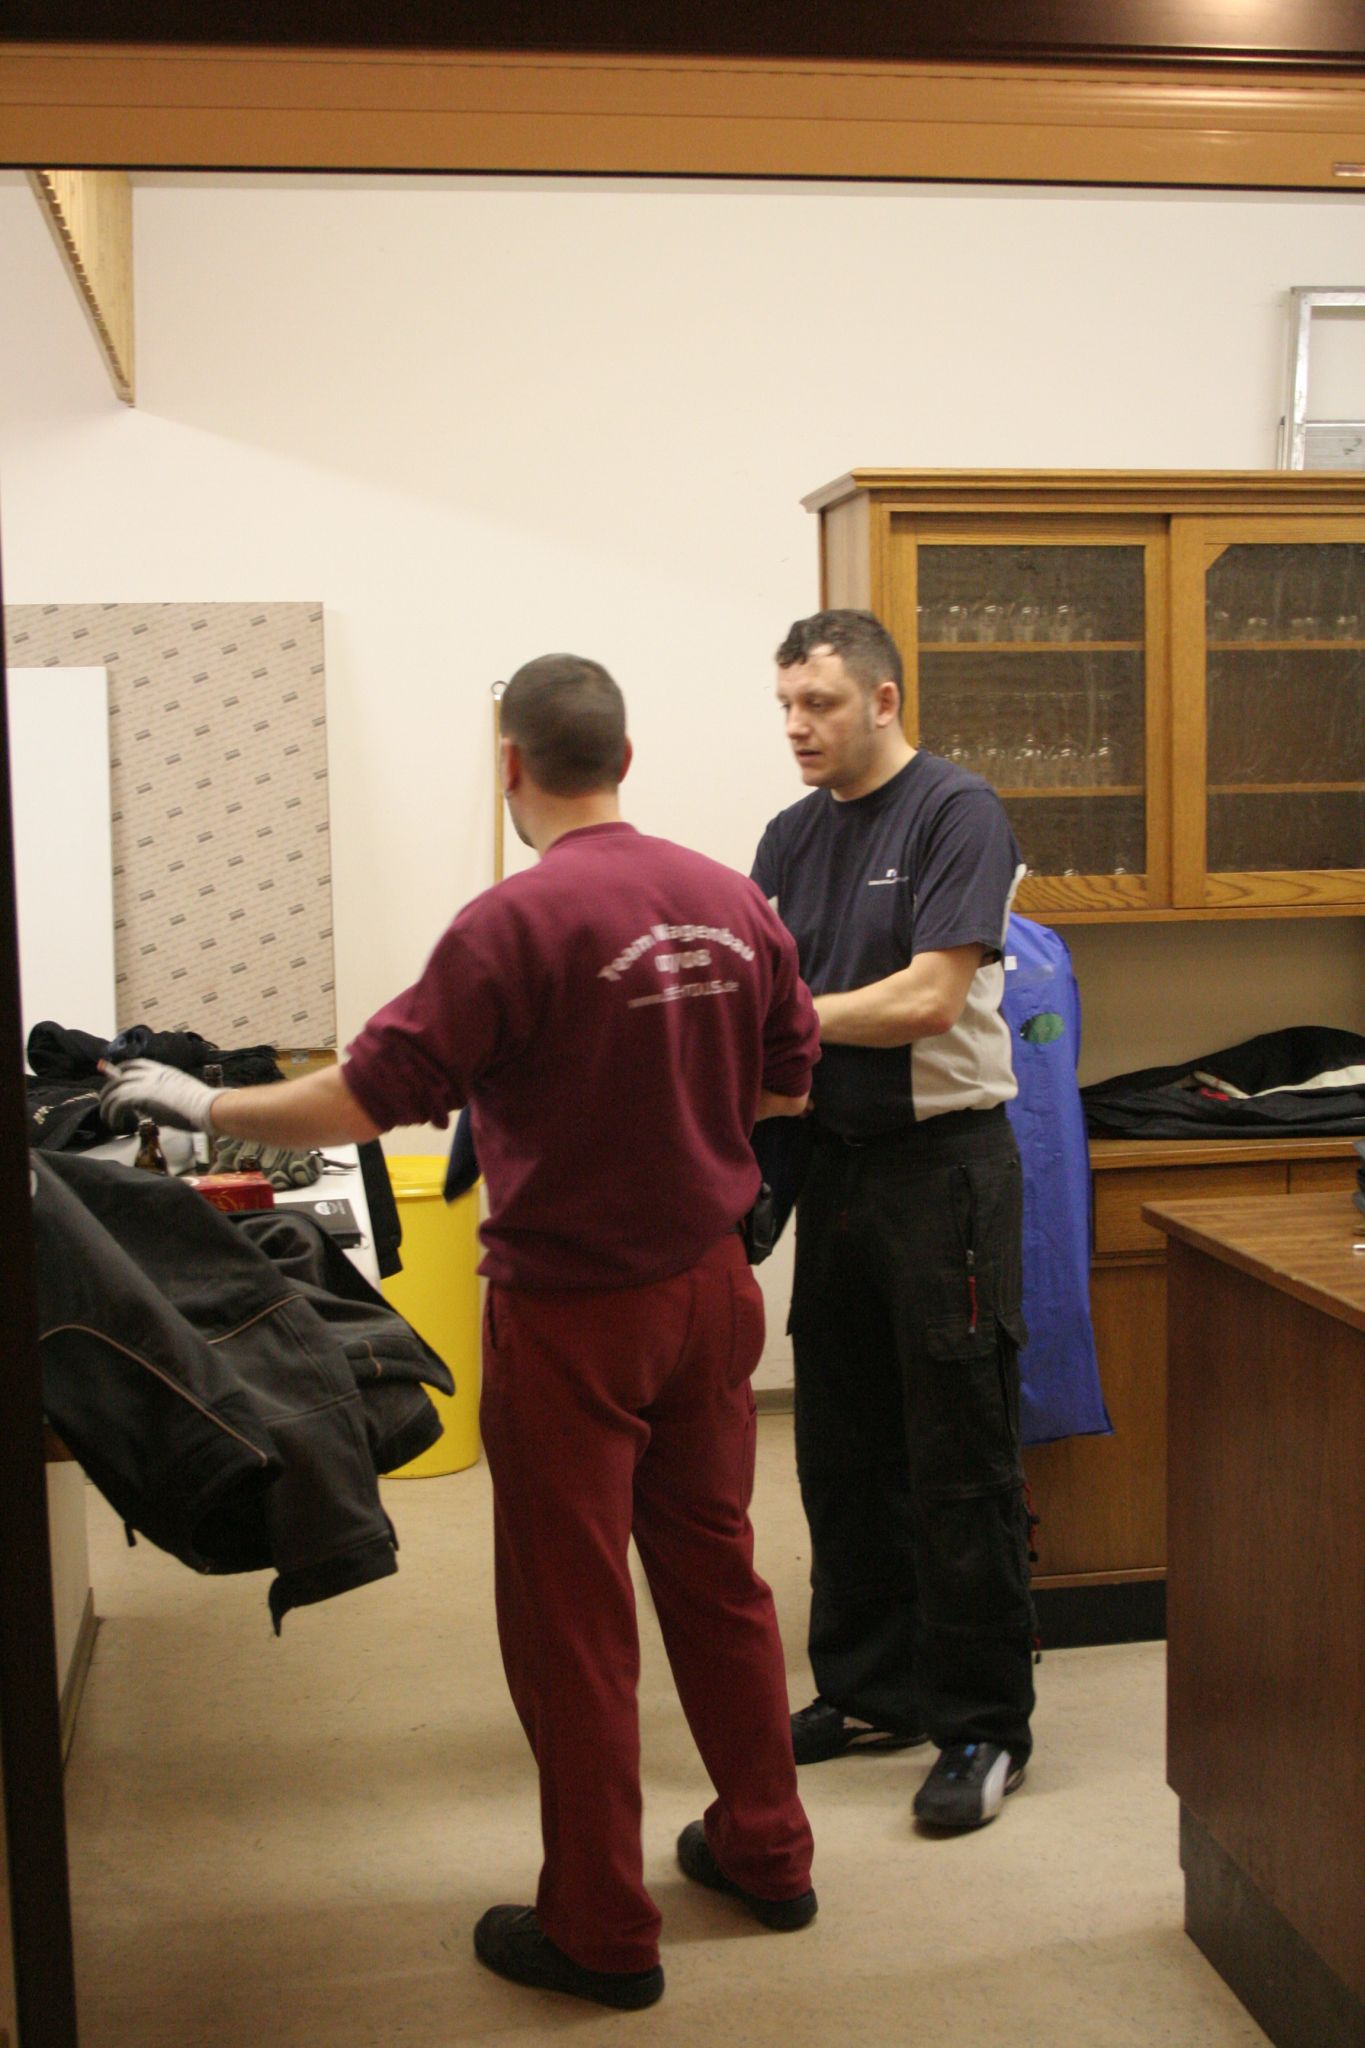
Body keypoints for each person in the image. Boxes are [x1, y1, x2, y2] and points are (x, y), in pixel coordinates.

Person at [101, 653, 821, 2011]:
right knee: (719, 1573)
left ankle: (601, 1928)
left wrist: (201, 1104)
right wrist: (671, 1114)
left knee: (572, 1617)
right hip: (712, 1288)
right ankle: (767, 1849)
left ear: (510, 765)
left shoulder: (512, 922)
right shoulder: (732, 900)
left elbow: (357, 1103)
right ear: (625, 756)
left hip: (574, 1312)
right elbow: (788, 1086)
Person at [750, 608, 1035, 1832]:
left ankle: (984, 1724)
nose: (797, 726)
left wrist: (782, 1021)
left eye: (818, 702)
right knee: (843, 1450)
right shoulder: (789, 834)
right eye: (785, 705)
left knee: (958, 1458)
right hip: (837, 1168)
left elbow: (928, 997)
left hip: (944, 1173)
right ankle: (872, 1691)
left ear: (883, 698)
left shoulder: (955, 811)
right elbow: (756, 987)